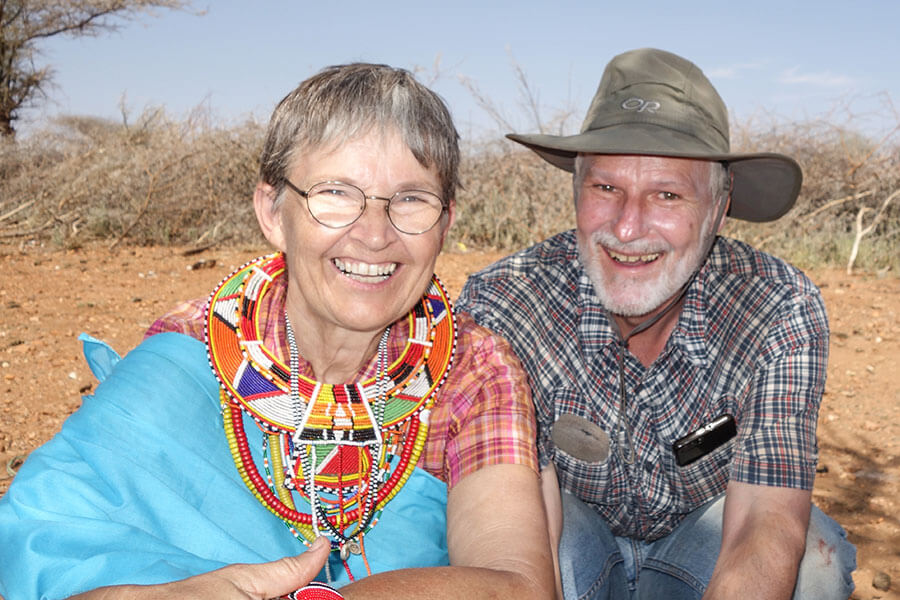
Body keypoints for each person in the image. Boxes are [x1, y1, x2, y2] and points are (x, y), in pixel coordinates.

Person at [0, 63, 555, 600]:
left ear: (446, 222)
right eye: (336, 193)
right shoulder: (192, 345)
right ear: (272, 211)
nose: (374, 234)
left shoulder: (473, 371)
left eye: (411, 199)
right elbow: (43, 539)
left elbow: (515, 585)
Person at [455, 48, 857, 600]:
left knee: (814, 562)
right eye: (605, 189)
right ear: (576, 192)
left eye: (666, 195)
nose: (627, 227)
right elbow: (520, 533)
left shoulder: (776, 306)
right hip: (570, 545)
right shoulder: (505, 302)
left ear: (718, 208)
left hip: (703, 544)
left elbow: (764, 518)